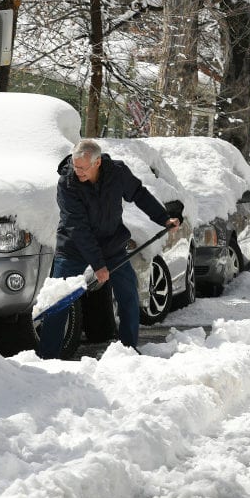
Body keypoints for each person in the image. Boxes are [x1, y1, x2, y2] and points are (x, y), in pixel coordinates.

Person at [38, 139, 180, 358]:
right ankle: (48, 357)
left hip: (111, 243)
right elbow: (78, 227)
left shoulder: (117, 172)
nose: (78, 172)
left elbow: (139, 194)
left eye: (82, 168)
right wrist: (98, 265)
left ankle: (128, 352)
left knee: (129, 297)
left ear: (97, 163)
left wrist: (163, 218)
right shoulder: (67, 183)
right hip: (74, 246)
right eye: (75, 166)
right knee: (59, 300)